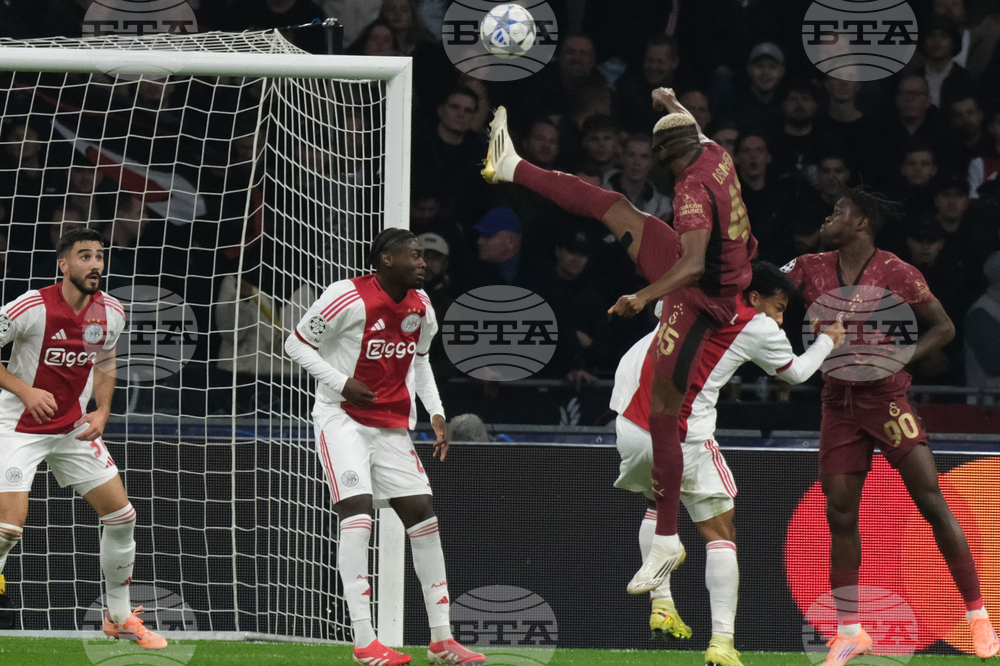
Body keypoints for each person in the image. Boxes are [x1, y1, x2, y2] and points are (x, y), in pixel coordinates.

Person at [481, 87, 757, 599]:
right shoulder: (713, 150)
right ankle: (511, 163)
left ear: (669, 156)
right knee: (612, 205)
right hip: (712, 267)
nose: (659, 166)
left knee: (663, 415)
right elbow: (689, 123)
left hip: (703, 299)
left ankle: (668, 541)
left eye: (660, 157)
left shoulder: (691, 192)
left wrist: (641, 297)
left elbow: (693, 267)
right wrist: (670, 101)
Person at [779, 187, 1000, 663]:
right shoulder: (806, 267)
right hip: (837, 403)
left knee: (931, 500)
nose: (828, 216)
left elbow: (943, 328)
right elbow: (758, 287)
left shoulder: (898, 271)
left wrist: (899, 358)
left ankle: (979, 618)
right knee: (839, 514)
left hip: (887, 400)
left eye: (839, 212)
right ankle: (851, 630)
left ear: (861, 223)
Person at [611, 262, 844, 666]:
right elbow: (797, 374)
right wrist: (828, 341)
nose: (779, 317)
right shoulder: (758, 326)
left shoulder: (689, 291)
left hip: (628, 421)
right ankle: (722, 642)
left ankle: (661, 602)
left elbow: (656, 313)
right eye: (778, 306)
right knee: (721, 529)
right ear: (755, 298)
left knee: (656, 500)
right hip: (682, 432)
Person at [284, 228, 484, 666]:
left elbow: (421, 358)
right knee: (358, 513)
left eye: (425, 256)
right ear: (386, 259)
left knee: (423, 517)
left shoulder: (422, 305)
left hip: (393, 427)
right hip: (342, 419)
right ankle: (364, 642)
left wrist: (435, 412)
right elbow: (295, 343)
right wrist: (341, 383)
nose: (424, 262)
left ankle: (441, 640)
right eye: (414, 255)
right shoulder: (346, 296)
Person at [0, 227, 167, 650]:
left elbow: (106, 358)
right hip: (18, 425)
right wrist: (25, 390)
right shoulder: (32, 306)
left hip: (72, 427)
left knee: (122, 517)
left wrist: (103, 410)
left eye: (100, 256)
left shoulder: (111, 311)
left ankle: (119, 616)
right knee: (8, 529)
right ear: (64, 264)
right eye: (85, 256)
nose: (95, 264)